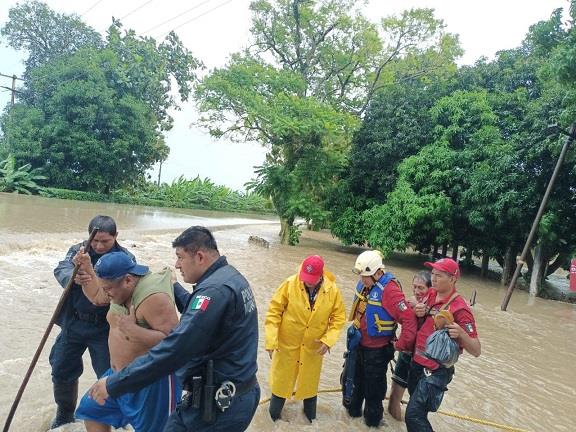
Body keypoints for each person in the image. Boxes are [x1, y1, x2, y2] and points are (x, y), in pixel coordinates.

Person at [88, 226, 260, 432]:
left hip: (219, 405)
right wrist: (176, 287)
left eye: (180, 257)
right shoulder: (229, 277)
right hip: (234, 393)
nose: (176, 265)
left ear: (199, 257)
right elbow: (202, 316)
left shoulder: (213, 292)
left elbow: (175, 348)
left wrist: (115, 384)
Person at [73, 252, 181, 432]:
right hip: (118, 376)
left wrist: (134, 331)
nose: (106, 293)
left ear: (128, 280)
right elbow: (97, 297)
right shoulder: (117, 290)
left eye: (108, 289)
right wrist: (87, 270)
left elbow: (175, 343)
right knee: (91, 412)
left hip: (151, 381)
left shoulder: (154, 298)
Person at [49, 215, 135, 428]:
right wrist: (74, 277)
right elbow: (61, 268)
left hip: (105, 328)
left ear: (116, 236)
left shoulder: (125, 257)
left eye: (105, 241)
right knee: (61, 368)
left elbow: (129, 287)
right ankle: (65, 412)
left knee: (111, 373)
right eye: (95, 240)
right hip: (74, 323)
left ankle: (116, 416)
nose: (98, 245)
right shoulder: (79, 251)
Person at [265, 255, 346, 423]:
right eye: (305, 278)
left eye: (312, 279)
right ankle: (272, 421)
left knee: (309, 386)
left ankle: (311, 421)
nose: (307, 282)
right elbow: (274, 312)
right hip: (287, 346)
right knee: (281, 384)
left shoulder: (332, 291)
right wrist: (271, 341)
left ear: (321, 276)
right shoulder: (289, 284)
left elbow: (338, 319)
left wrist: (327, 340)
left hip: (312, 348)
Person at [405, 258, 481, 432]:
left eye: (439, 275)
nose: (433, 278)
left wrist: (461, 334)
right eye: (432, 274)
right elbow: (413, 306)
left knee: (413, 415)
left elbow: (476, 350)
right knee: (417, 413)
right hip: (417, 363)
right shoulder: (430, 294)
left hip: (436, 371)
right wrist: (418, 310)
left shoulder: (460, 309)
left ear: (453, 279)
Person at [344, 250, 417, 427]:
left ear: (378, 273)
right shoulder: (364, 284)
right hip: (357, 346)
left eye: (366, 276)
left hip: (376, 352)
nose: (363, 280)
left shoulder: (390, 290)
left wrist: (401, 344)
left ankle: (372, 423)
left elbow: (408, 319)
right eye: (361, 276)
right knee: (352, 386)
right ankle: (350, 420)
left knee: (373, 393)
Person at [387, 271, 432, 421]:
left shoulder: (436, 307)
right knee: (394, 397)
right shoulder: (411, 302)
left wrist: (425, 311)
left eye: (421, 288)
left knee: (416, 407)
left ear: (431, 289)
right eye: (414, 287)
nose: (417, 292)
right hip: (406, 353)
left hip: (423, 361)